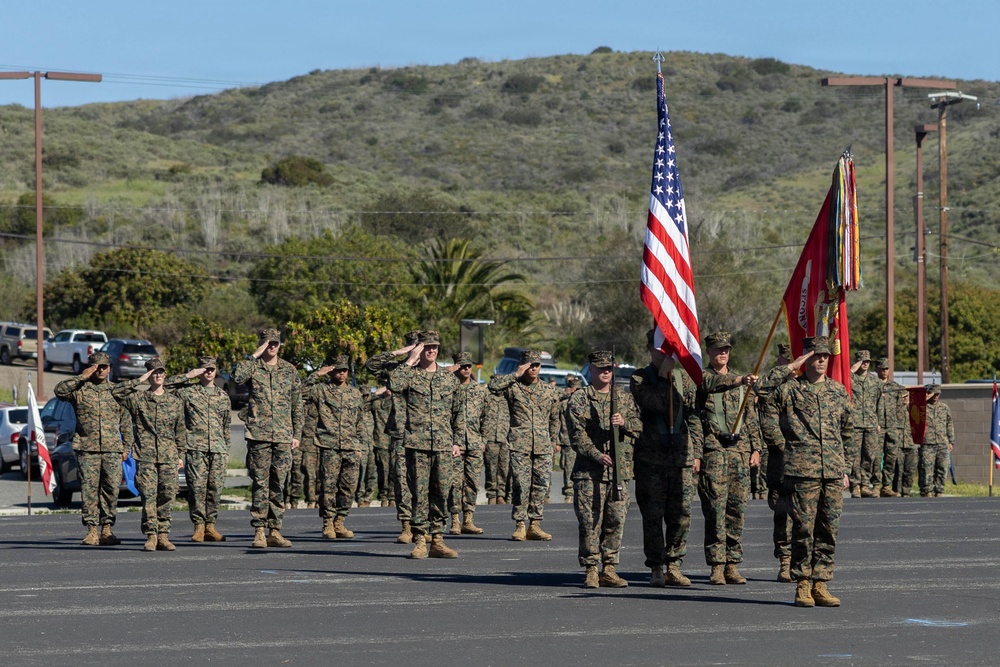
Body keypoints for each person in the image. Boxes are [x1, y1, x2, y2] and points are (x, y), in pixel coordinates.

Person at [768, 336, 855, 608]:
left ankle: (821, 583)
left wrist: (846, 468)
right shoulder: (790, 389)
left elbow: (848, 432)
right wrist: (783, 446)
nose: (821, 360)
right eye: (816, 355)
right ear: (805, 358)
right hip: (801, 470)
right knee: (803, 529)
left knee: (829, 529)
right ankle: (802, 583)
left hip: (831, 471)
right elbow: (761, 392)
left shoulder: (838, 391)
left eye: (825, 356)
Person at [630, 328, 701, 588]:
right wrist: (662, 376)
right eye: (659, 349)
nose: (664, 354)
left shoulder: (685, 380)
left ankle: (674, 564)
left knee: (681, 514)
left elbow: (694, 416)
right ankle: (657, 566)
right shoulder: (640, 378)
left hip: (680, 458)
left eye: (667, 349)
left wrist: (697, 452)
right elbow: (655, 404)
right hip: (651, 460)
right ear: (649, 349)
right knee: (653, 515)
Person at [693, 331, 762, 585]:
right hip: (714, 452)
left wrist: (756, 448)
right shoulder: (702, 377)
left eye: (726, 349)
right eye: (718, 349)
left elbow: (751, 417)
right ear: (709, 352)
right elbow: (706, 392)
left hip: (739, 453)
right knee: (714, 510)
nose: (723, 353)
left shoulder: (744, 384)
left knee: (737, 510)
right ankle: (716, 565)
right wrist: (697, 454)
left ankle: (732, 563)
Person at [568, 350, 642, 588]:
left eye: (609, 368)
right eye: (601, 368)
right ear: (591, 369)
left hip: (619, 471)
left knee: (615, 520)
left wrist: (625, 423)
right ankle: (591, 568)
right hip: (590, 472)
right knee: (590, 521)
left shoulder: (623, 397)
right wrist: (597, 455)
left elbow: (640, 427)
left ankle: (609, 567)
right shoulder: (580, 399)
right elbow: (577, 436)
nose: (606, 372)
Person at [388, 330, 464, 559]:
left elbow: (458, 412)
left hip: (442, 444)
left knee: (441, 492)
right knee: (419, 493)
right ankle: (420, 539)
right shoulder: (410, 375)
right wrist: (409, 361)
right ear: (419, 349)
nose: (432, 350)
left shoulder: (448, 379)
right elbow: (394, 384)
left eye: (435, 347)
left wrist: (457, 441)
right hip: (417, 444)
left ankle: (438, 539)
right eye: (427, 347)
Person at [231, 327, 303, 548]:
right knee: (260, 483)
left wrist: (297, 434)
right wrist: (255, 354)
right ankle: (259, 530)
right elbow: (236, 376)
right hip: (259, 435)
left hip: (282, 435)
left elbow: (297, 405)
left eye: (275, 343)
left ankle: (275, 530)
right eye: (267, 343)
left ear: (280, 345)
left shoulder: (289, 370)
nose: (271, 347)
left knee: (278, 484)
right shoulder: (253, 368)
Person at [54, 351, 135, 546]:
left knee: (111, 490)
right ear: (91, 368)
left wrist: (126, 447)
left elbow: (126, 421)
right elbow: (59, 390)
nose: (101, 370)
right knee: (89, 490)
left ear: (109, 368)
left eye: (104, 366)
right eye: (97, 366)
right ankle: (91, 530)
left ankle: (107, 529)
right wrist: (82, 376)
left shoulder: (116, 391)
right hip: (87, 448)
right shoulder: (80, 390)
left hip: (112, 450)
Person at [112, 358, 185, 551]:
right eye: (154, 373)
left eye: (160, 372)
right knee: (149, 495)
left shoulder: (174, 401)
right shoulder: (139, 399)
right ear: (149, 375)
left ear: (165, 375)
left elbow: (180, 430)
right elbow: (117, 392)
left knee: (168, 495)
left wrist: (181, 454)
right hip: (146, 456)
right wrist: (139, 380)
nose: (158, 375)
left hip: (169, 455)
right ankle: (151, 535)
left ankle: (164, 535)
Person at [489, 349, 561, 541]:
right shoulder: (513, 387)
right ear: (523, 365)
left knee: (540, 486)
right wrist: (516, 374)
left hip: (543, 445)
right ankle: (520, 524)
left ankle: (534, 524)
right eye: (529, 365)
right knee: (520, 485)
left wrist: (554, 441)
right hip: (520, 444)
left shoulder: (549, 391)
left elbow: (555, 418)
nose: (533, 368)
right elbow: (493, 387)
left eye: (536, 365)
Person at [757, 346, 814, 584]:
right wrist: (789, 448)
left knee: (806, 513)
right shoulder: (774, 389)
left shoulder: (807, 386)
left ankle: (805, 561)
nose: (793, 363)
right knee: (783, 512)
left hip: (807, 461)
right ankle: (785, 559)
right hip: (781, 459)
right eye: (788, 359)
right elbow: (769, 425)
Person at [165, 356, 232, 542]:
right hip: (196, 448)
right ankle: (199, 527)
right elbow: (166, 386)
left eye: (211, 369)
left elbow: (226, 425)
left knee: (215, 488)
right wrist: (189, 375)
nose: (208, 372)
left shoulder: (222, 396)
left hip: (218, 448)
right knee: (197, 488)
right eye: (205, 369)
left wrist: (226, 449)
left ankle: (211, 525)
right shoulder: (188, 392)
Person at [302, 355, 367, 538]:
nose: (342, 374)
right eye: (338, 370)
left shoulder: (355, 394)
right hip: (329, 444)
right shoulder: (321, 390)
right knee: (328, 486)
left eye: (344, 370)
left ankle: (340, 521)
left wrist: (360, 446)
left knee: (349, 487)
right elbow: (300, 391)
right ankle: (328, 523)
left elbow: (360, 422)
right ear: (332, 371)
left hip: (351, 446)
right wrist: (317, 374)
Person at [365, 330, 421, 542]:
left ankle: (423, 526)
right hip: (400, 432)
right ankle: (407, 525)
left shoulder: (431, 371)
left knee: (425, 482)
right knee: (401, 480)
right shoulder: (396, 369)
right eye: (415, 346)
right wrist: (400, 353)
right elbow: (371, 365)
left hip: (426, 433)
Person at [447, 352, 488, 535]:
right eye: (462, 366)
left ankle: (468, 519)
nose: (465, 369)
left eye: (468, 366)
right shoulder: (448, 388)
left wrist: (483, 440)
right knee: (454, 483)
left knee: (472, 482)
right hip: (453, 443)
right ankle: (455, 520)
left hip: (474, 443)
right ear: (455, 366)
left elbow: (486, 417)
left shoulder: (479, 390)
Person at [850, 350, 880, 498]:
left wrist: (878, 422)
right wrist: (851, 370)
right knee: (854, 456)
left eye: (868, 361)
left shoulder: (875, 381)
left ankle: (864, 484)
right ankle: (855, 485)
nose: (866, 364)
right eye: (863, 361)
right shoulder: (850, 378)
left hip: (871, 423)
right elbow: (839, 382)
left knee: (869, 455)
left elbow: (879, 403)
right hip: (854, 423)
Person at [874, 358, 905, 497]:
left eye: (886, 369)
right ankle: (875, 485)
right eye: (881, 369)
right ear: (877, 370)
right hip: (878, 426)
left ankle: (886, 486)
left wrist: (899, 425)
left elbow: (900, 407)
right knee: (875, 456)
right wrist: (874, 422)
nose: (884, 371)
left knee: (891, 457)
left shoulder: (895, 387)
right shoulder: (873, 386)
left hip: (892, 426)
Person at [920, 385, 954, 497]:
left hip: (942, 442)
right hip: (927, 442)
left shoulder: (944, 408)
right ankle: (927, 490)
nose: (936, 396)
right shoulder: (922, 407)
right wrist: (924, 399)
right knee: (927, 468)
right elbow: (911, 409)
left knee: (943, 467)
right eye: (933, 394)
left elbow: (949, 424)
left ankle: (939, 490)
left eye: (938, 394)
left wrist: (951, 441)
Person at [483, 379, 511, 504]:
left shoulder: (508, 398)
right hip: (490, 438)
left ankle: (501, 493)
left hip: (505, 438)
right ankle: (491, 495)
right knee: (491, 468)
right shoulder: (487, 397)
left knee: (504, 468)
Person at [369, 380, 394, 507]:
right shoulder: (377, 403)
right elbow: (362, 402)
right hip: (381, 441)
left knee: (396, 471)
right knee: (383, 472)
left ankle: (393, 497)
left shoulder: (400, 401)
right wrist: (377, 392)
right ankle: (384, 496)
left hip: (397, 442)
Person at [558, 375, 581, 503]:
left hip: (584, 440)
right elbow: (558, 422)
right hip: (568, 440)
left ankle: (579, 491)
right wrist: (557, 441)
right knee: (568, 467)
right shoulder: (564, 404)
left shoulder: (586, 402)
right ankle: (569, 492)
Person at [894, 391, 918, 496]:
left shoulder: (914, 410)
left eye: (906, 397)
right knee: (898, 469)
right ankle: (897, 491)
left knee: (910, 470)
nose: (904, 399)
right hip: (898, 443)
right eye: (902, 397)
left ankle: (906, 491)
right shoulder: (896, 410)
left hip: (911, 443)